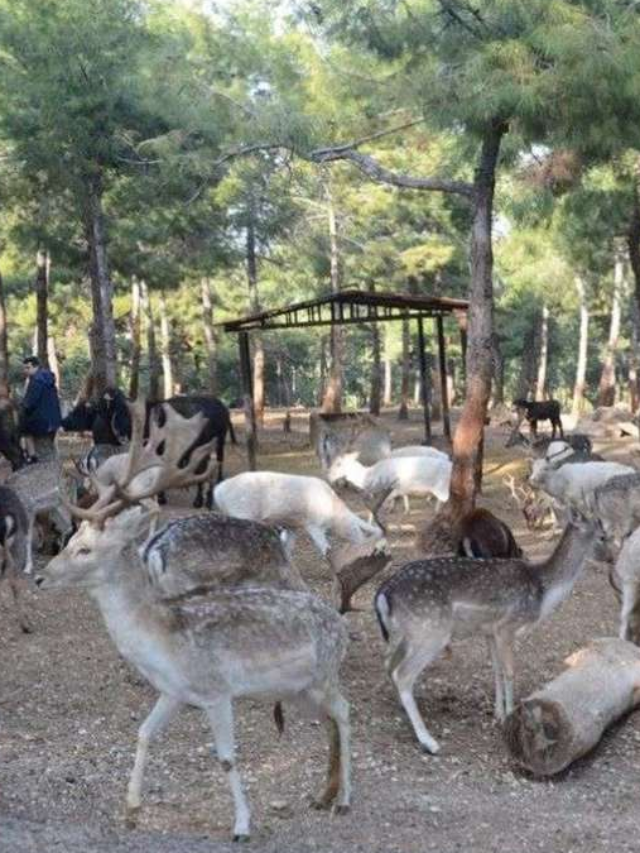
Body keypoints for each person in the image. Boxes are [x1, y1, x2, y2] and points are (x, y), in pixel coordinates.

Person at [19, 356, 62, 462]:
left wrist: (21, 409)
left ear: (36, 367)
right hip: (52, 422)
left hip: (40, 424)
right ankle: (55, 473)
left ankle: (49, 475)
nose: (25, 371)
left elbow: (29, 403)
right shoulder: (48, 379)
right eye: (24, 368)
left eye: (28, 368)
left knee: (44, 454)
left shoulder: (36, 381)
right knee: (50, 450)